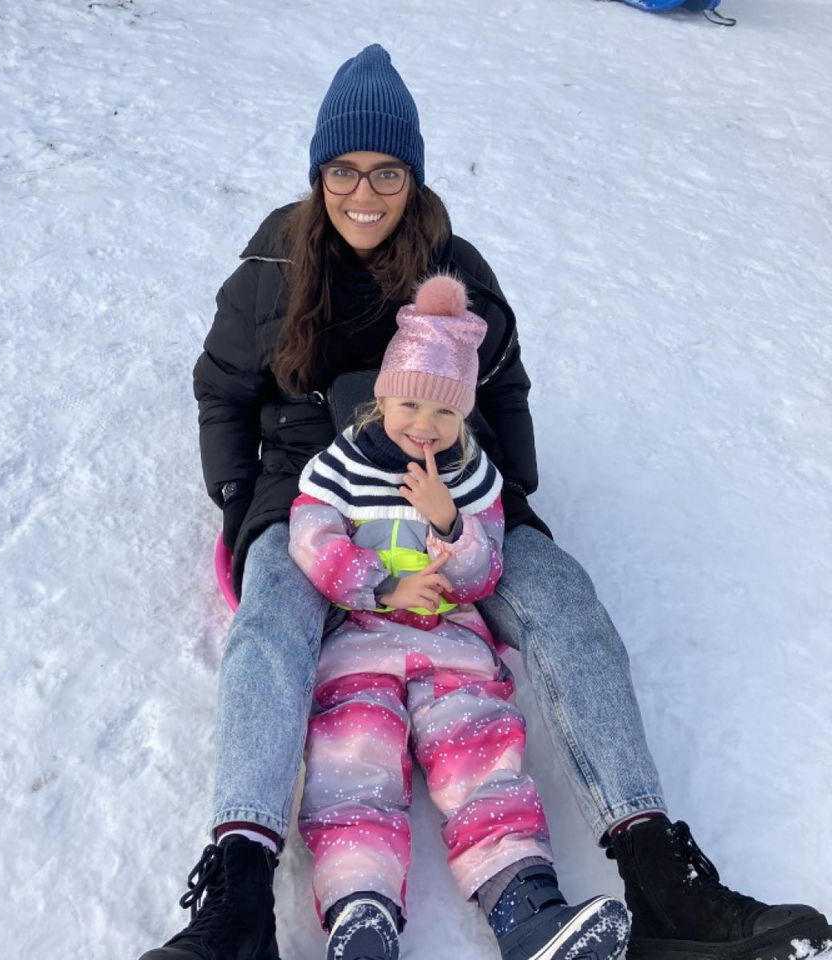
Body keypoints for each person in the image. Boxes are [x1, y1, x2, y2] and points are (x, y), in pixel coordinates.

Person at [137, 44, 831, 960]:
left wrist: (503, 497)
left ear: (414, 177)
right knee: (270, 620)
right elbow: (222, 390)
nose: (364, 192)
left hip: (454, 487)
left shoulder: (454, 268)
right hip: (317, 488)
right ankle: (235, 899)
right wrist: (240, 504)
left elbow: (503, 384)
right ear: (318, 174)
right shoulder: (273, 265)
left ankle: (662, 881)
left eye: (387, 171)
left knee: (563, 599)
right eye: (343, 170)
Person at [288, 273, 630, 960]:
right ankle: (362, 914)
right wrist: (382, 587)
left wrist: (449, 520)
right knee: (354, 762)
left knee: (482, 760)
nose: (424, 425)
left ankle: (527, 910)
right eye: (410, 402)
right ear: (384, 394)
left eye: (444, 413)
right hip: (360, 647)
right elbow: (312, 541)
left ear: (464, 416)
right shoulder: (341, 468)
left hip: (453, 652)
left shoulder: (471, 478)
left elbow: (484, 572)